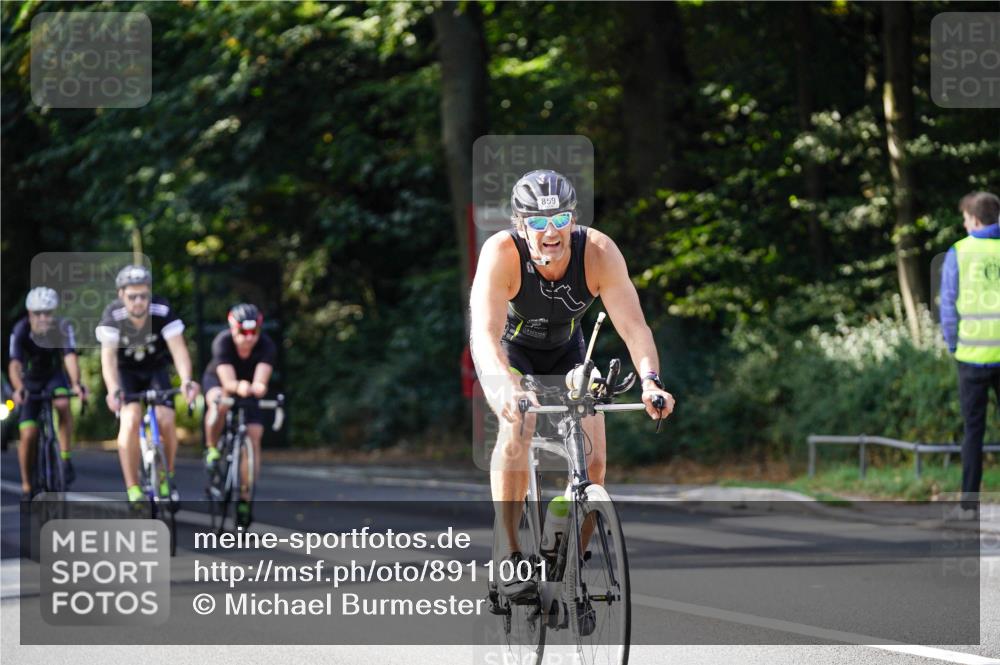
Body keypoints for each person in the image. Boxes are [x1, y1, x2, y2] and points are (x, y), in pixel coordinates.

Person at [469, 169, 675, 598]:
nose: (551, 232)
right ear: (520, 225)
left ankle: (567, 557)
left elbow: (634, 327)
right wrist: (505, 387)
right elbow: (484, 335)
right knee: (518, 427)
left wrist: (651, 382)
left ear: (573, 218)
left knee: (594, 460)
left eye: (560, 219)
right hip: (512, 356)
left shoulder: (597, 251)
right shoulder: (501, 254)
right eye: (539, 223)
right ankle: (508, 555)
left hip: (569, 353)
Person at [95, 265, 199, 508]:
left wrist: (186, 380)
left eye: (144, 295)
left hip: (155, 369)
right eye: (133, 296)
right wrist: (112, 389)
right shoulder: (113, 315)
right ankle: (133, 488)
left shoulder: (161, 310)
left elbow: (179, 350)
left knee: (166, 419)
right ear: (121, 295)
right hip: (126, 372)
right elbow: (108, 358)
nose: (139, 302)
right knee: (130, 419)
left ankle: (166, 476)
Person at [940, 190, 1000, 521]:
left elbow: (948, 307)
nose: (964, 225)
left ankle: (969, 505)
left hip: (972, 357)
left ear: (975, 220)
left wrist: (953, 345)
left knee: (973, 433)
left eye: (965, 219)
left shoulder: (960, 253)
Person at [202, 303, 277, 528]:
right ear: (233, 330)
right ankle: (212, 448)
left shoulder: (266, 345)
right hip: (222, 381)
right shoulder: (222, 342)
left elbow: (261, 379)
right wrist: (239, 386)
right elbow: (228, 382)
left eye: (253, 332)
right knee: (219, 404)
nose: (248, 338)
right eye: (243, 332)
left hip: (248, 388)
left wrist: (259, 386)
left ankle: (244, 498)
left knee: (254, 434)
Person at [9, 287, 88, 498]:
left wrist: (76, 384)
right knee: (28, 433)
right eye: (38, 313)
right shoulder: (20, 330)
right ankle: (27, 484)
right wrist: (19, 388)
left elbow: (70, 357)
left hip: (54, 377)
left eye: (48, 313)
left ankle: (64, 457)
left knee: (62, 403)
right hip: (30, 382)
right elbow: (15, 364)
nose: (43, 318)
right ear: (29, 313)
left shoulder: (62, 328)